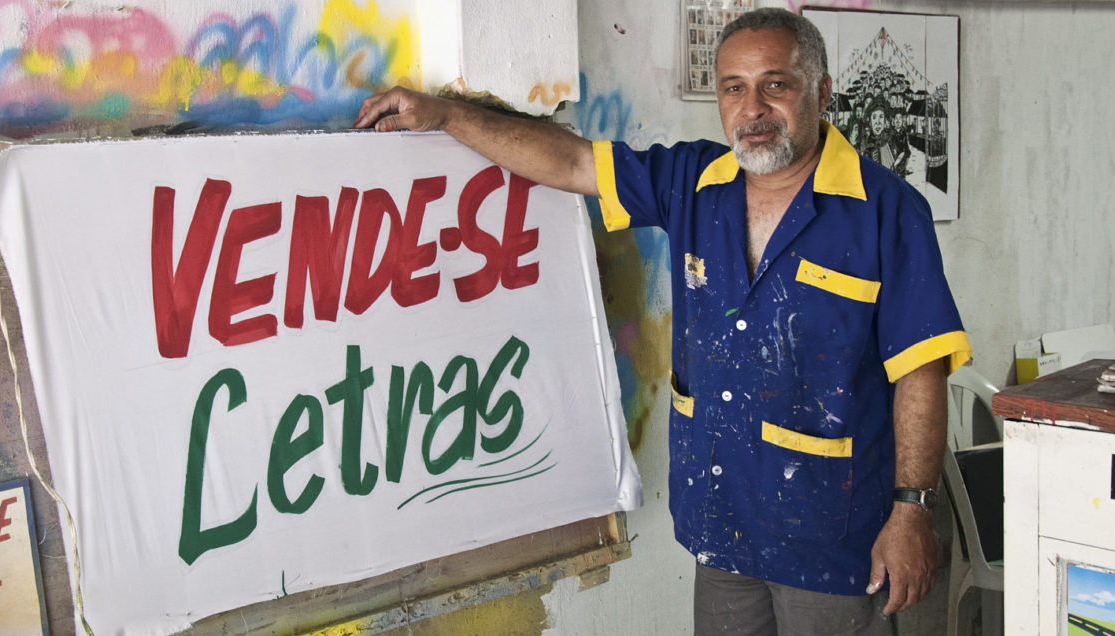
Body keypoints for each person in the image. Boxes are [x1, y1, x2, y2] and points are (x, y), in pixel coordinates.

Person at [355, 7, 970, 634]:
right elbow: (572, 164)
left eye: (775, 84)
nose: (752, 108)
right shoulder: (695, 181)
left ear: (822, 91)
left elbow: (921, 371)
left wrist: (912, 510)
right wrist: (448, 115)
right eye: (733, 88)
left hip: (832, 534)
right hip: (721, 521)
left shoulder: (886, 212)